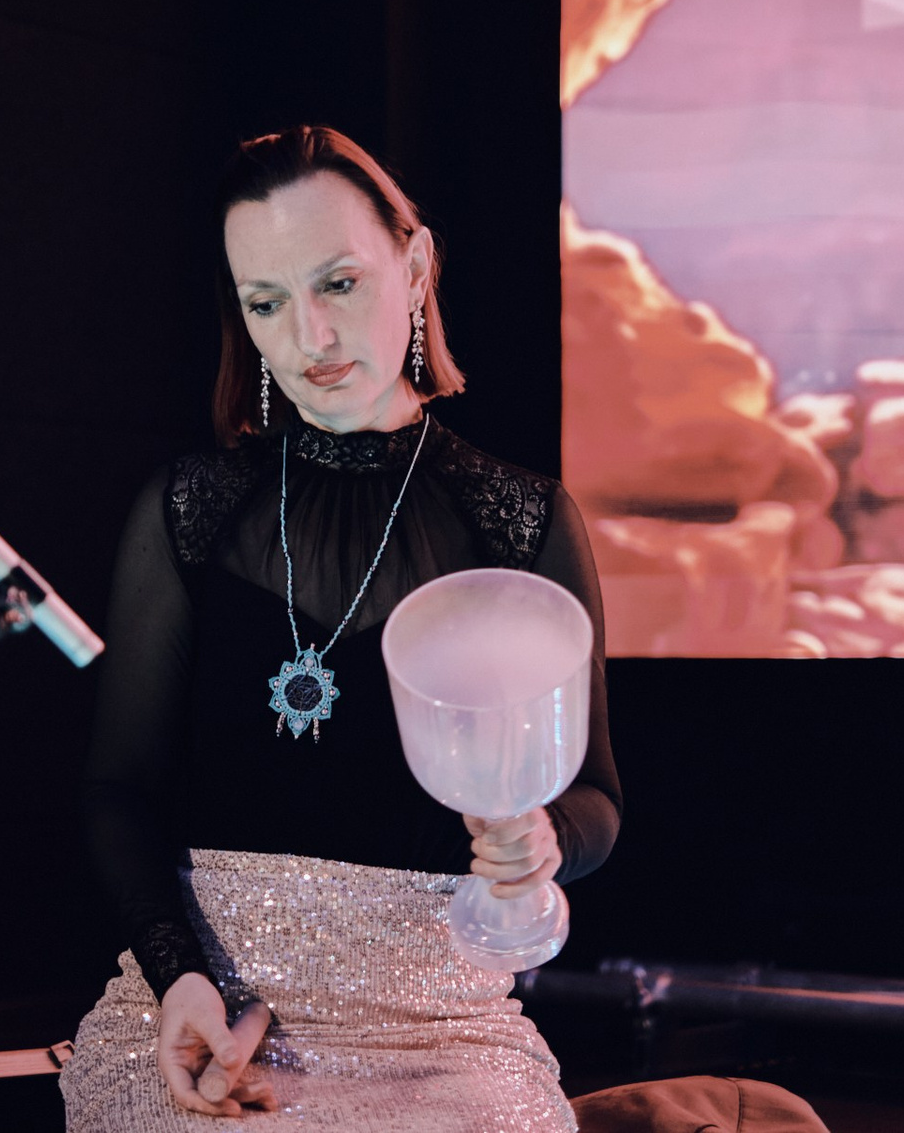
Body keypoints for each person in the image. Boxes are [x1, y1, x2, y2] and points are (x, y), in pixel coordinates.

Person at [59, 125, 620, 1131]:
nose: (310, 337)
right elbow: (119, 789)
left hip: (438, 1029)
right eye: (266, 303)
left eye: (340, 284)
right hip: (201, 1004)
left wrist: (543, 838)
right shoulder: (188, 509)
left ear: (416, 266)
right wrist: (180, 979)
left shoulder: (519, 520)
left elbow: (599, 799)